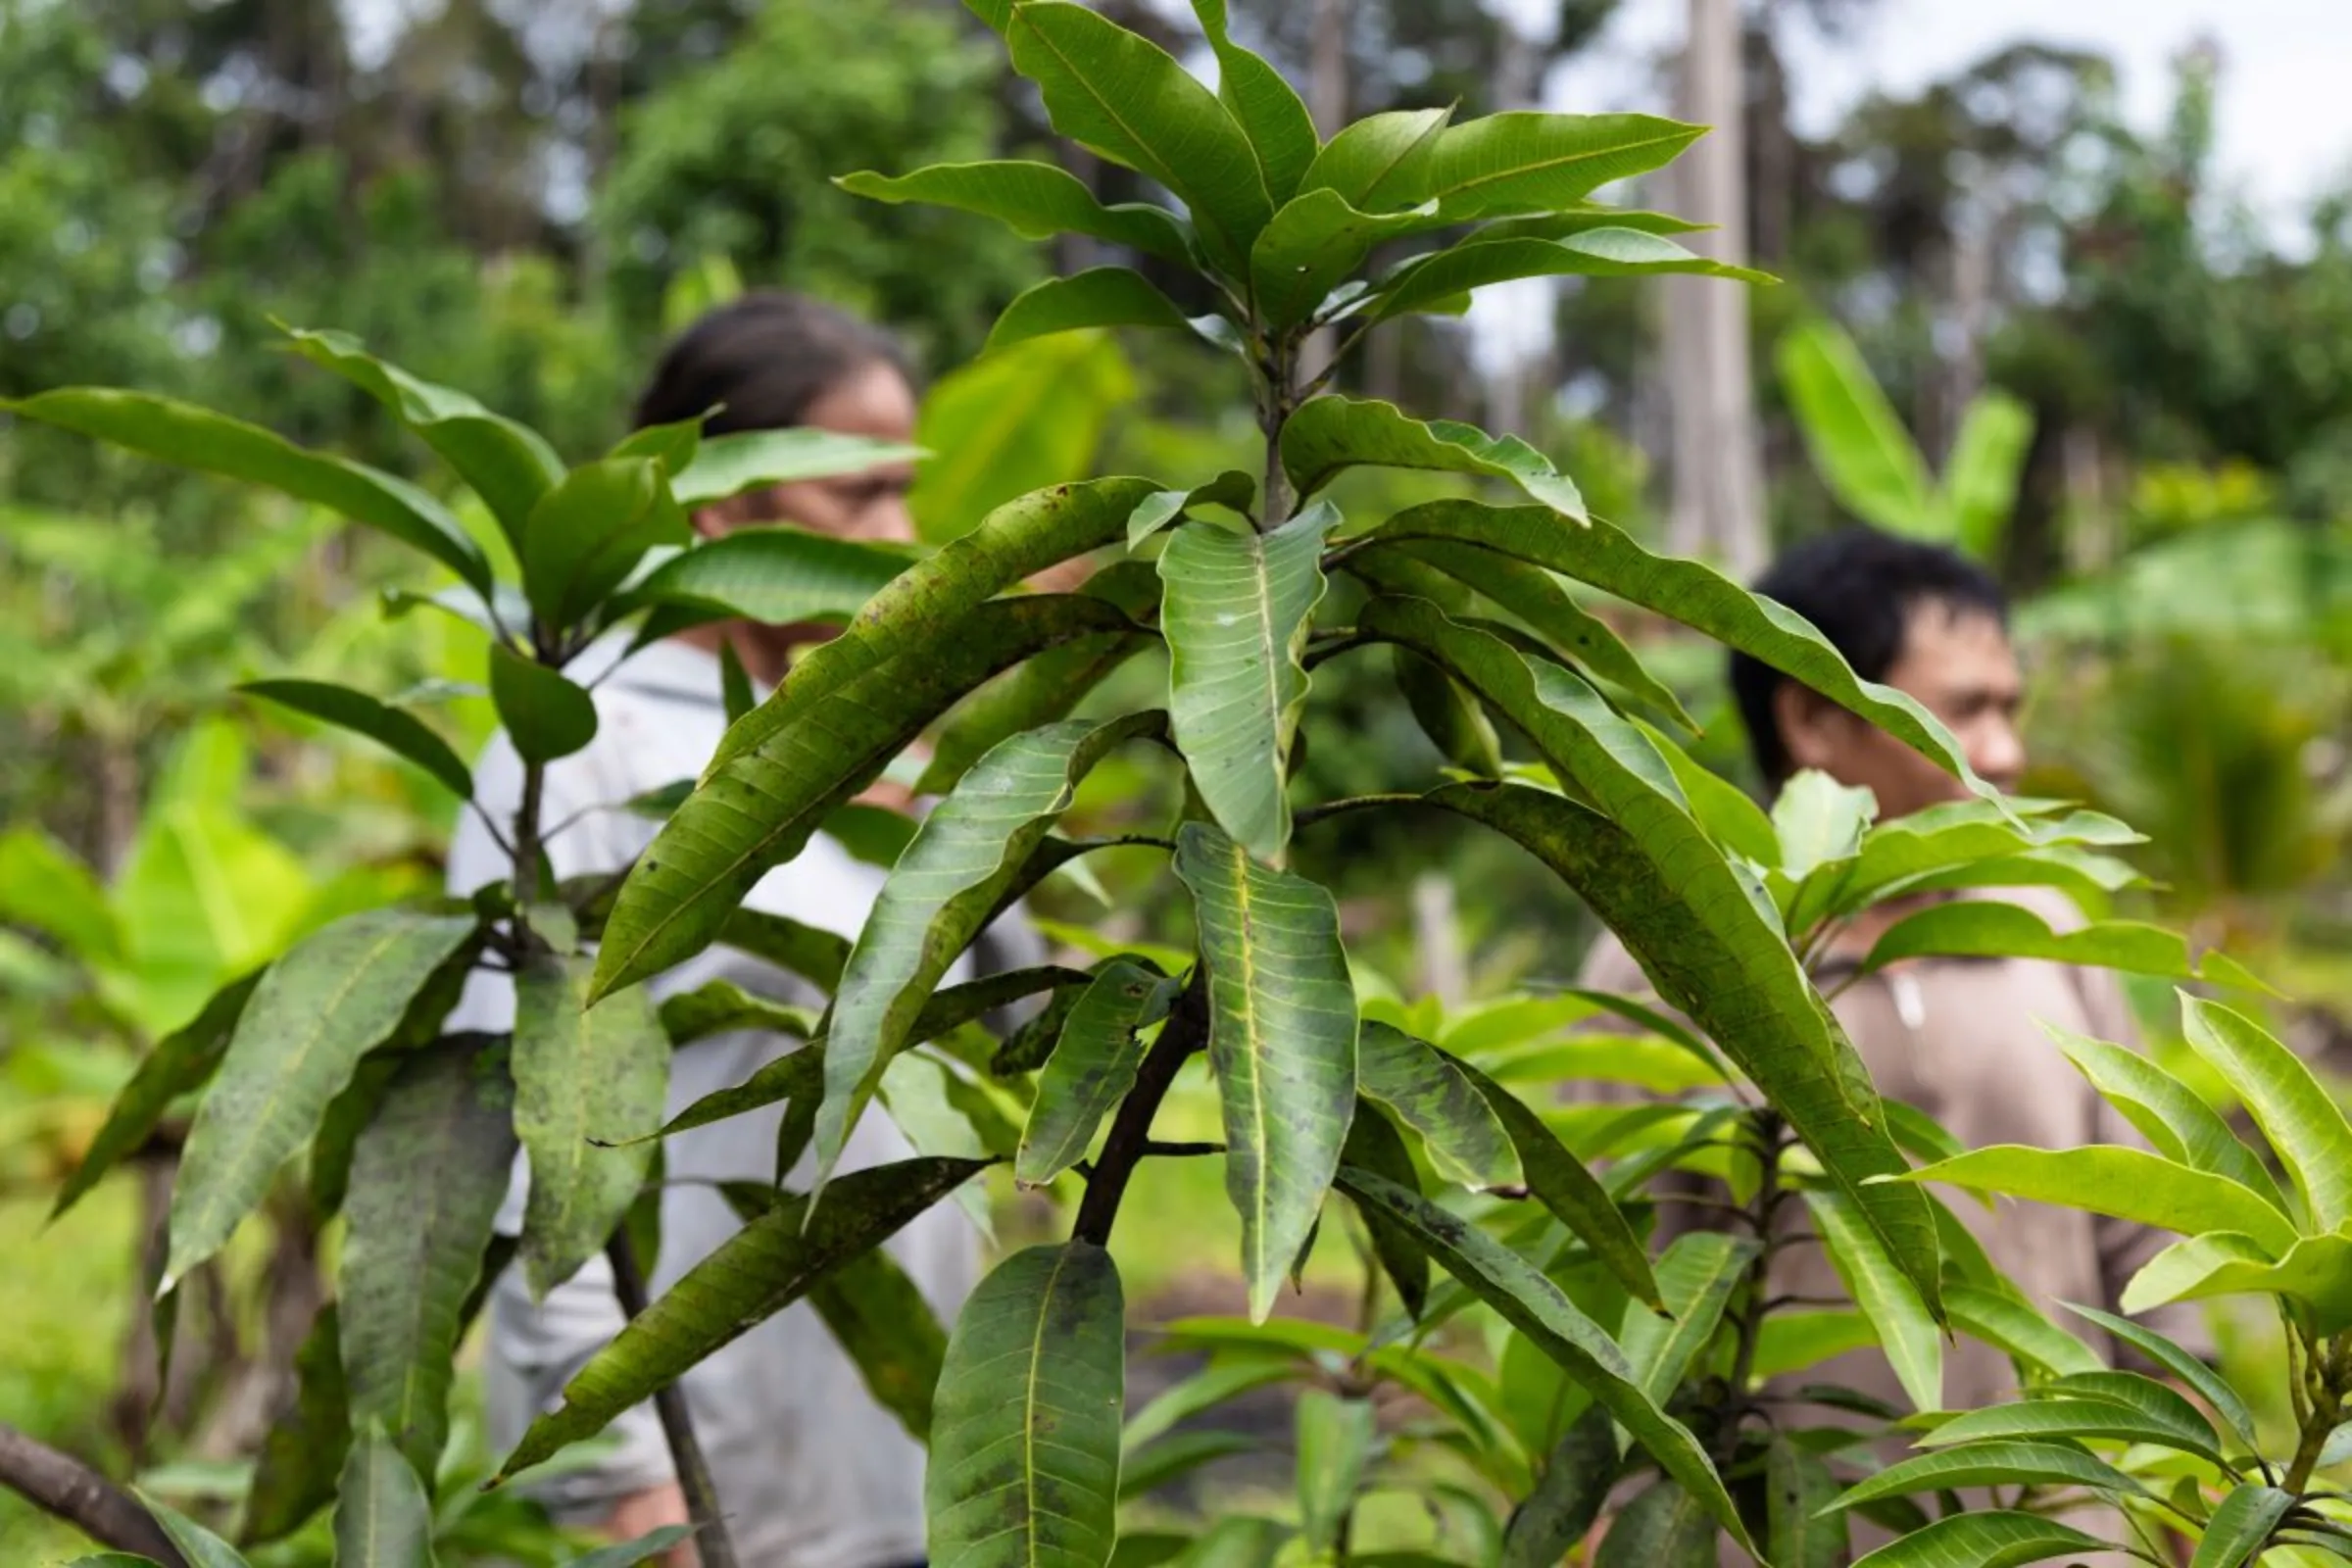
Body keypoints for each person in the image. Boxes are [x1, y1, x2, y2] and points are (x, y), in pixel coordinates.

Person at [445, 292, 1040, 1568]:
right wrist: (626, 1489)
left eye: (903, 492)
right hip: (696, 1489)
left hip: (901, 1462)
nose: (902, 539)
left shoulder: (880, 741)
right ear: (722, 504)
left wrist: (968, 797)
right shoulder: (589, 754)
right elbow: (522, 1156)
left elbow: (1026, 1035)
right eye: (857, 497)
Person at [1577, 527, 2188, 1438]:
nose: (2007, 752)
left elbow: (2144, 1226)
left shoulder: (2052, 930)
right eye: (1964, 710)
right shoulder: (1669, 958)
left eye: (2011, 708)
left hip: (2067, 1520)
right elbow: (1605, 1270)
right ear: (1813, 719)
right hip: (1778, 1522)